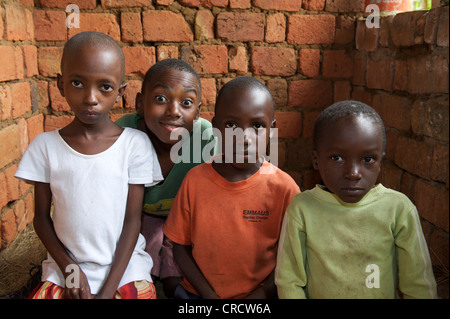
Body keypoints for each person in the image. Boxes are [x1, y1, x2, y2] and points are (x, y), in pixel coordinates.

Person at [14, 31, 163, 299]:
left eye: (104, 86)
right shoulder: (45, 147)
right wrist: (70, 270)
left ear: (120, 92)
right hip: (65, 269)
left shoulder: (134, 145)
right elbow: (40, 219)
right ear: (60, 85)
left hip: (125, 268)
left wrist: (108, 291)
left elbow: (132, 221)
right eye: (77, 83)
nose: (90, 97)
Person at [275, 100, 437, 299]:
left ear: (380, 161)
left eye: (368, 159)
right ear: (316, 161)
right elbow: (289, 282)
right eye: (337, 158)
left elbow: (418, 286)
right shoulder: (302, 209)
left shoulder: (398, 210)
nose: (353, 173)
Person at [162, 76, 300, 299]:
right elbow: (180, 247)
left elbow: (291, 256)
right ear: (216, 127)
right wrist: (209, 296)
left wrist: (262, 294)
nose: (244, 138)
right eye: (231, 125)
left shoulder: (283, 188)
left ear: (271, 130)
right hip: (200, 294)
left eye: (257, 126)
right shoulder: (195, 180)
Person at [115, 59, 215, 297]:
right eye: (161, 99)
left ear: (198, 112)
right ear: (140, 103)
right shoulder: (122, 135)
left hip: (189, 224)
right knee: (142, 249)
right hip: (136, 221)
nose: (174, 111)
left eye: (187, 102)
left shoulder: (207, 138)